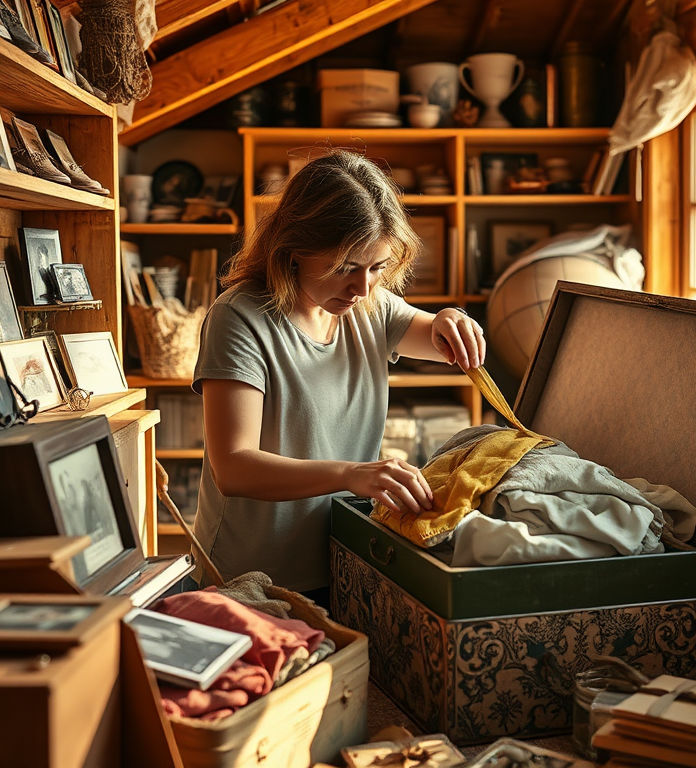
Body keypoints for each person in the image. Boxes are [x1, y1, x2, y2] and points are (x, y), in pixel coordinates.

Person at [193, 151, 486, 602]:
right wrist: (353, 474)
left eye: (377, 268)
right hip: (250, 578)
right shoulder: (239, 318)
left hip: (344, 559)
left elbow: (434, 335)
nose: (362, 287)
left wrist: (452, 318)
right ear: (294, 247)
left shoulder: (371, 306)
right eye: (345, 267)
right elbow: (233, 466)